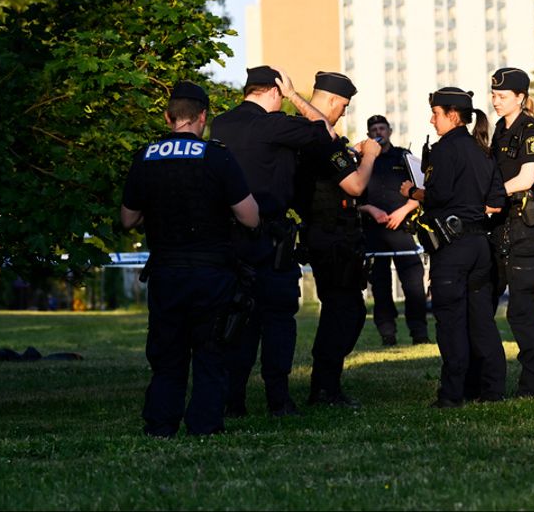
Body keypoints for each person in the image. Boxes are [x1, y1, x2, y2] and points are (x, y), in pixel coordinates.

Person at [121, 81, 261, 437]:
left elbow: (128, 219)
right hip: (212, 273)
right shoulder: (217, 156)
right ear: (202, 117)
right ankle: (205, 424)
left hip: (166, 272)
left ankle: (161, 424)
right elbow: (250, 217)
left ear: (168, 117)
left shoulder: (145, 157)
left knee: (167, 355)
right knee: (210, 353)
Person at [208, 66, 333, 418]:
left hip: (229, 236)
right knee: (278, 317)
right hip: (270, 237)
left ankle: (233, 399)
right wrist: (296, 96)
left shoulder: (221, 124)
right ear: (275, 90)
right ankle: (279, 399)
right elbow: (325, 132)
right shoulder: (274, 124)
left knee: (237, 318)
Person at [400, 88, 507, 408]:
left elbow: (439, 195)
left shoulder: (445, 150)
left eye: (436, 113)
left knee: (450, 321)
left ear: (453, 115)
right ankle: (492, 389)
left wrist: (413, 192)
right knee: (482, 321)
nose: (432, 120)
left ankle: (452, 394)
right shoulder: (483, 149)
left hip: (452, 247)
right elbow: (496, 201)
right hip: (479, 245)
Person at [294, 72, 381, 407]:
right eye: (343, 106)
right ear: (330, 100)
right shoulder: (320, 140)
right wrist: (370, 155)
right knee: (342, 312)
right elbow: (355, 186)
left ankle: (327, 384)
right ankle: (325, 388)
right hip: (332, 238)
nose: (343, 112)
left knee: (349, 310)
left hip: (332, 235)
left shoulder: (312, 137)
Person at [488, 68, 534, 398]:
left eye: (501, 97)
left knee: (523, 312)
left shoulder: (532, 131)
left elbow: (526, 178)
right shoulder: (500, 129)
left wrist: (489, 195)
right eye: (494, 95)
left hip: (525, 229)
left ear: (520, 98)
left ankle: (533, 386)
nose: (495, 101)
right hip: (501, 227)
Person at [358, 114, 429, 347]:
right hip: (374, 231)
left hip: (402, 229)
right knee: (380, 287)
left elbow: (423, 191)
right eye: (374, 129)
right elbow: (352, 196)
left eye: (382, 128)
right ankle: (387, 334)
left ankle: (419, 333)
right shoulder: (362, 160)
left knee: (414, 285)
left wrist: (404, 211)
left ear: (389, 130)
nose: (379, 132)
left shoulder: (404, 157)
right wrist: (370, 209)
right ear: (369, 134)